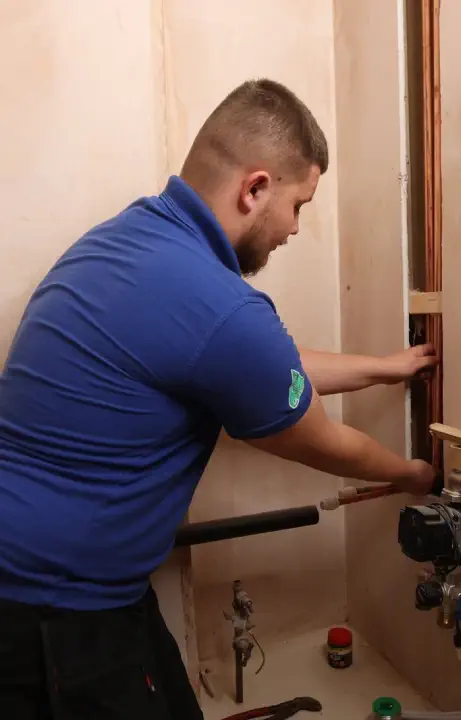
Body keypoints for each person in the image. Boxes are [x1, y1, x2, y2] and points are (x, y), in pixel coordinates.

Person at [0, 78, 437, 719]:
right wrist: (413, 474)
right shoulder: (219, 304)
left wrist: (384, 368)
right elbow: (318, 439)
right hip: (55, 615)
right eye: (299, 204)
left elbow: (254, 364)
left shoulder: (124, 241)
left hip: (56, 584)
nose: (294, 228)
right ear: (255, 188)